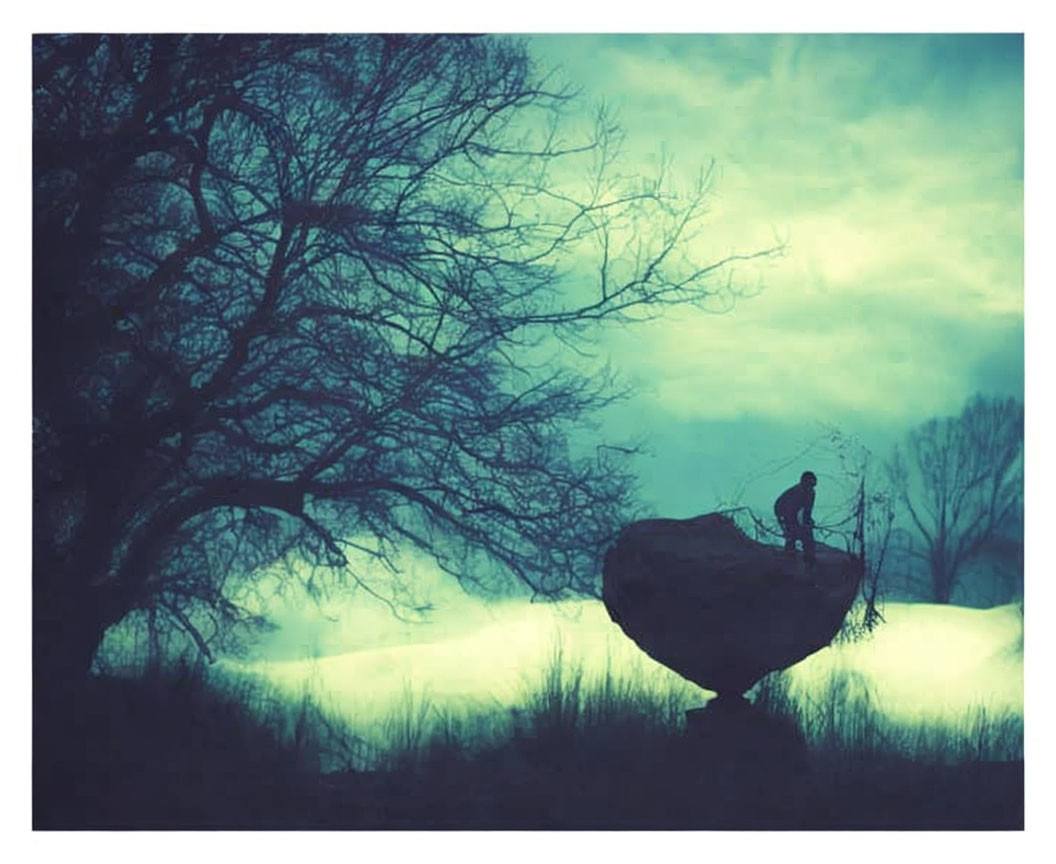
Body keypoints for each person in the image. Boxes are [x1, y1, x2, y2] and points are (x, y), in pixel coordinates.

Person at [774, 471, 817, 565]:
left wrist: (808, 520)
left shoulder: (811, 493)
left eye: (812, 485)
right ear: (804, 483)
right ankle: (789, 560)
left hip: (793, 514)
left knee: (807, 535)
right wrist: (795, 525)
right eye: (809, 484)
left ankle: (809, 561)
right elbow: (790, 511)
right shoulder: (798, 492)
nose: (811, 487)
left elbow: (807, 510)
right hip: (782, 512)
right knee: (792, 535)